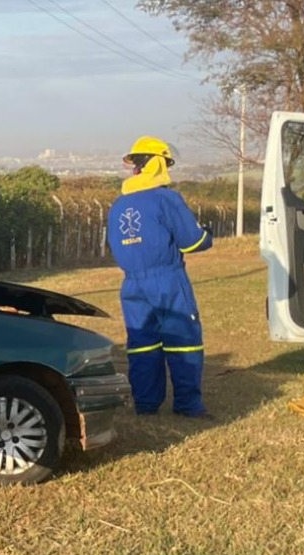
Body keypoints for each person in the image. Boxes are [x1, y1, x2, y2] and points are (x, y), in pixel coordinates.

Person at [105, 136, 213, 418]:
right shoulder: (167, 198)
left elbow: (116, 245)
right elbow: (191, 241)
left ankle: (146, 405)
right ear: (157, 164)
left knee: (142, 344)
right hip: (167, 279)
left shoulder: (118, 205)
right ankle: (188, 406)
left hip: (131, 285)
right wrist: (207, 237)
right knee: (184, 340)